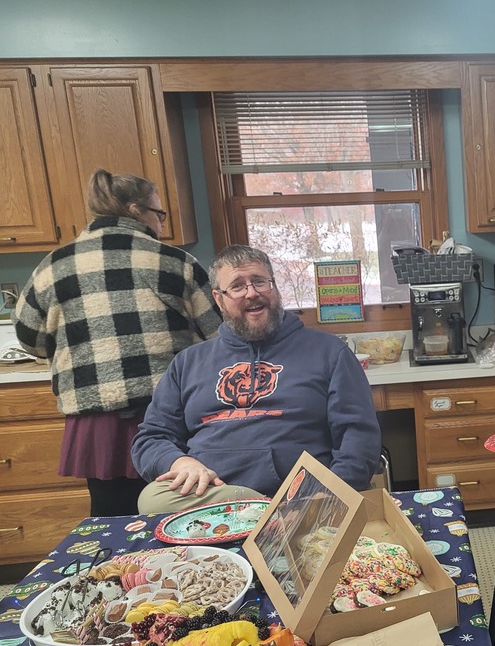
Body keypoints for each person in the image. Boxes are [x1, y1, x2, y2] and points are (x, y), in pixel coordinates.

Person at [13, 169, 222, 517]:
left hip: (97, 420)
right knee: (183, 511)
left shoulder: (52, 267)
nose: (161, 224)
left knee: (112, 518)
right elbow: (217, 334)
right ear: (137, 210)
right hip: (169, 411)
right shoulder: (175, 262)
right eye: (159, 214)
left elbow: (28, 338)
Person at [131, 244, 381, 513]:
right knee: (151, 499)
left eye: (260, 281)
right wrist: (180, 463)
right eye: (237, 286)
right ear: (218, 299)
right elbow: (151, 438)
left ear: (275, 287)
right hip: (212, 500)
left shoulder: (330, 352)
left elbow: (358, 436)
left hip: (301, 499)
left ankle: (260, 512)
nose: (252, 293)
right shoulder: (187, 363)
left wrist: (330, 492)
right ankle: (258, 510)